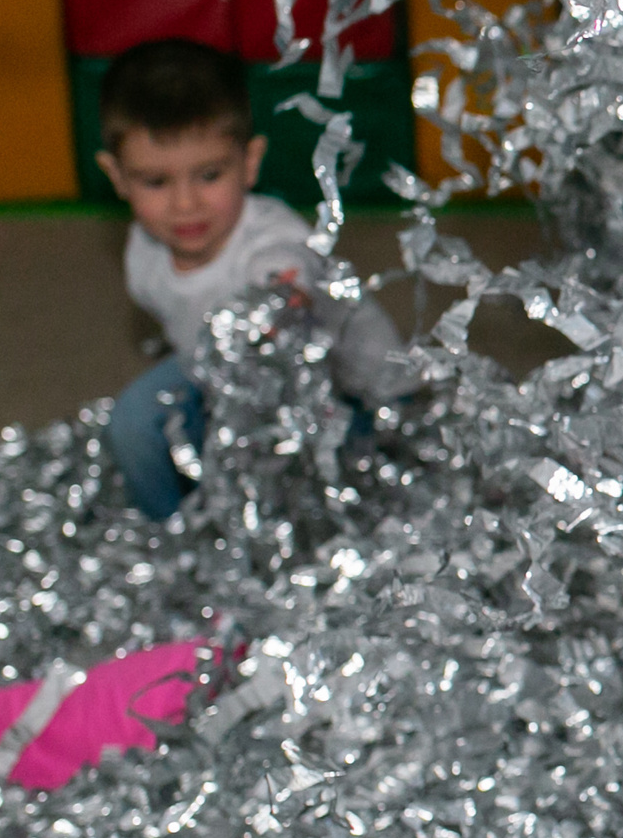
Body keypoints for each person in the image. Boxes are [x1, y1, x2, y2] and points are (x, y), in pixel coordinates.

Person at [96, 39, 417, 519]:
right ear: (117, 177)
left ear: (249, 162)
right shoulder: (143, 249)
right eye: (156, 183)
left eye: (208, 175)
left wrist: (283, 295)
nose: (185, 205)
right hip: (224, 382)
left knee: (320, 493)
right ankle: (168, 531)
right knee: (133, 422)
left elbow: (290, 269)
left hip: (350, 398)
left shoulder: (269, 238)